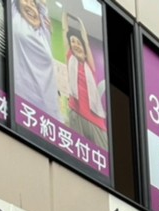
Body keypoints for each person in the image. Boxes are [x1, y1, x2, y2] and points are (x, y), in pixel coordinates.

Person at [10, 0, 62, 121]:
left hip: (50, 111)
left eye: (33, 4)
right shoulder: (16, 19)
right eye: (25, 1)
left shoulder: (44, 33)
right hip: (24, 105)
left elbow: (43, 5)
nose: (30, 5)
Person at [63, 15, 108, 147]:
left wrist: (80, 21)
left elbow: (86, 42)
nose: (76, 45)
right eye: (73, 42)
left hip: (95, 119)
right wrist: (65, 14)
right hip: (76, 113)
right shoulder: (70, 58)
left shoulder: (90, 67)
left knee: (103, 152)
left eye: (79, 43)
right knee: (75, 151)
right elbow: (64, 30)